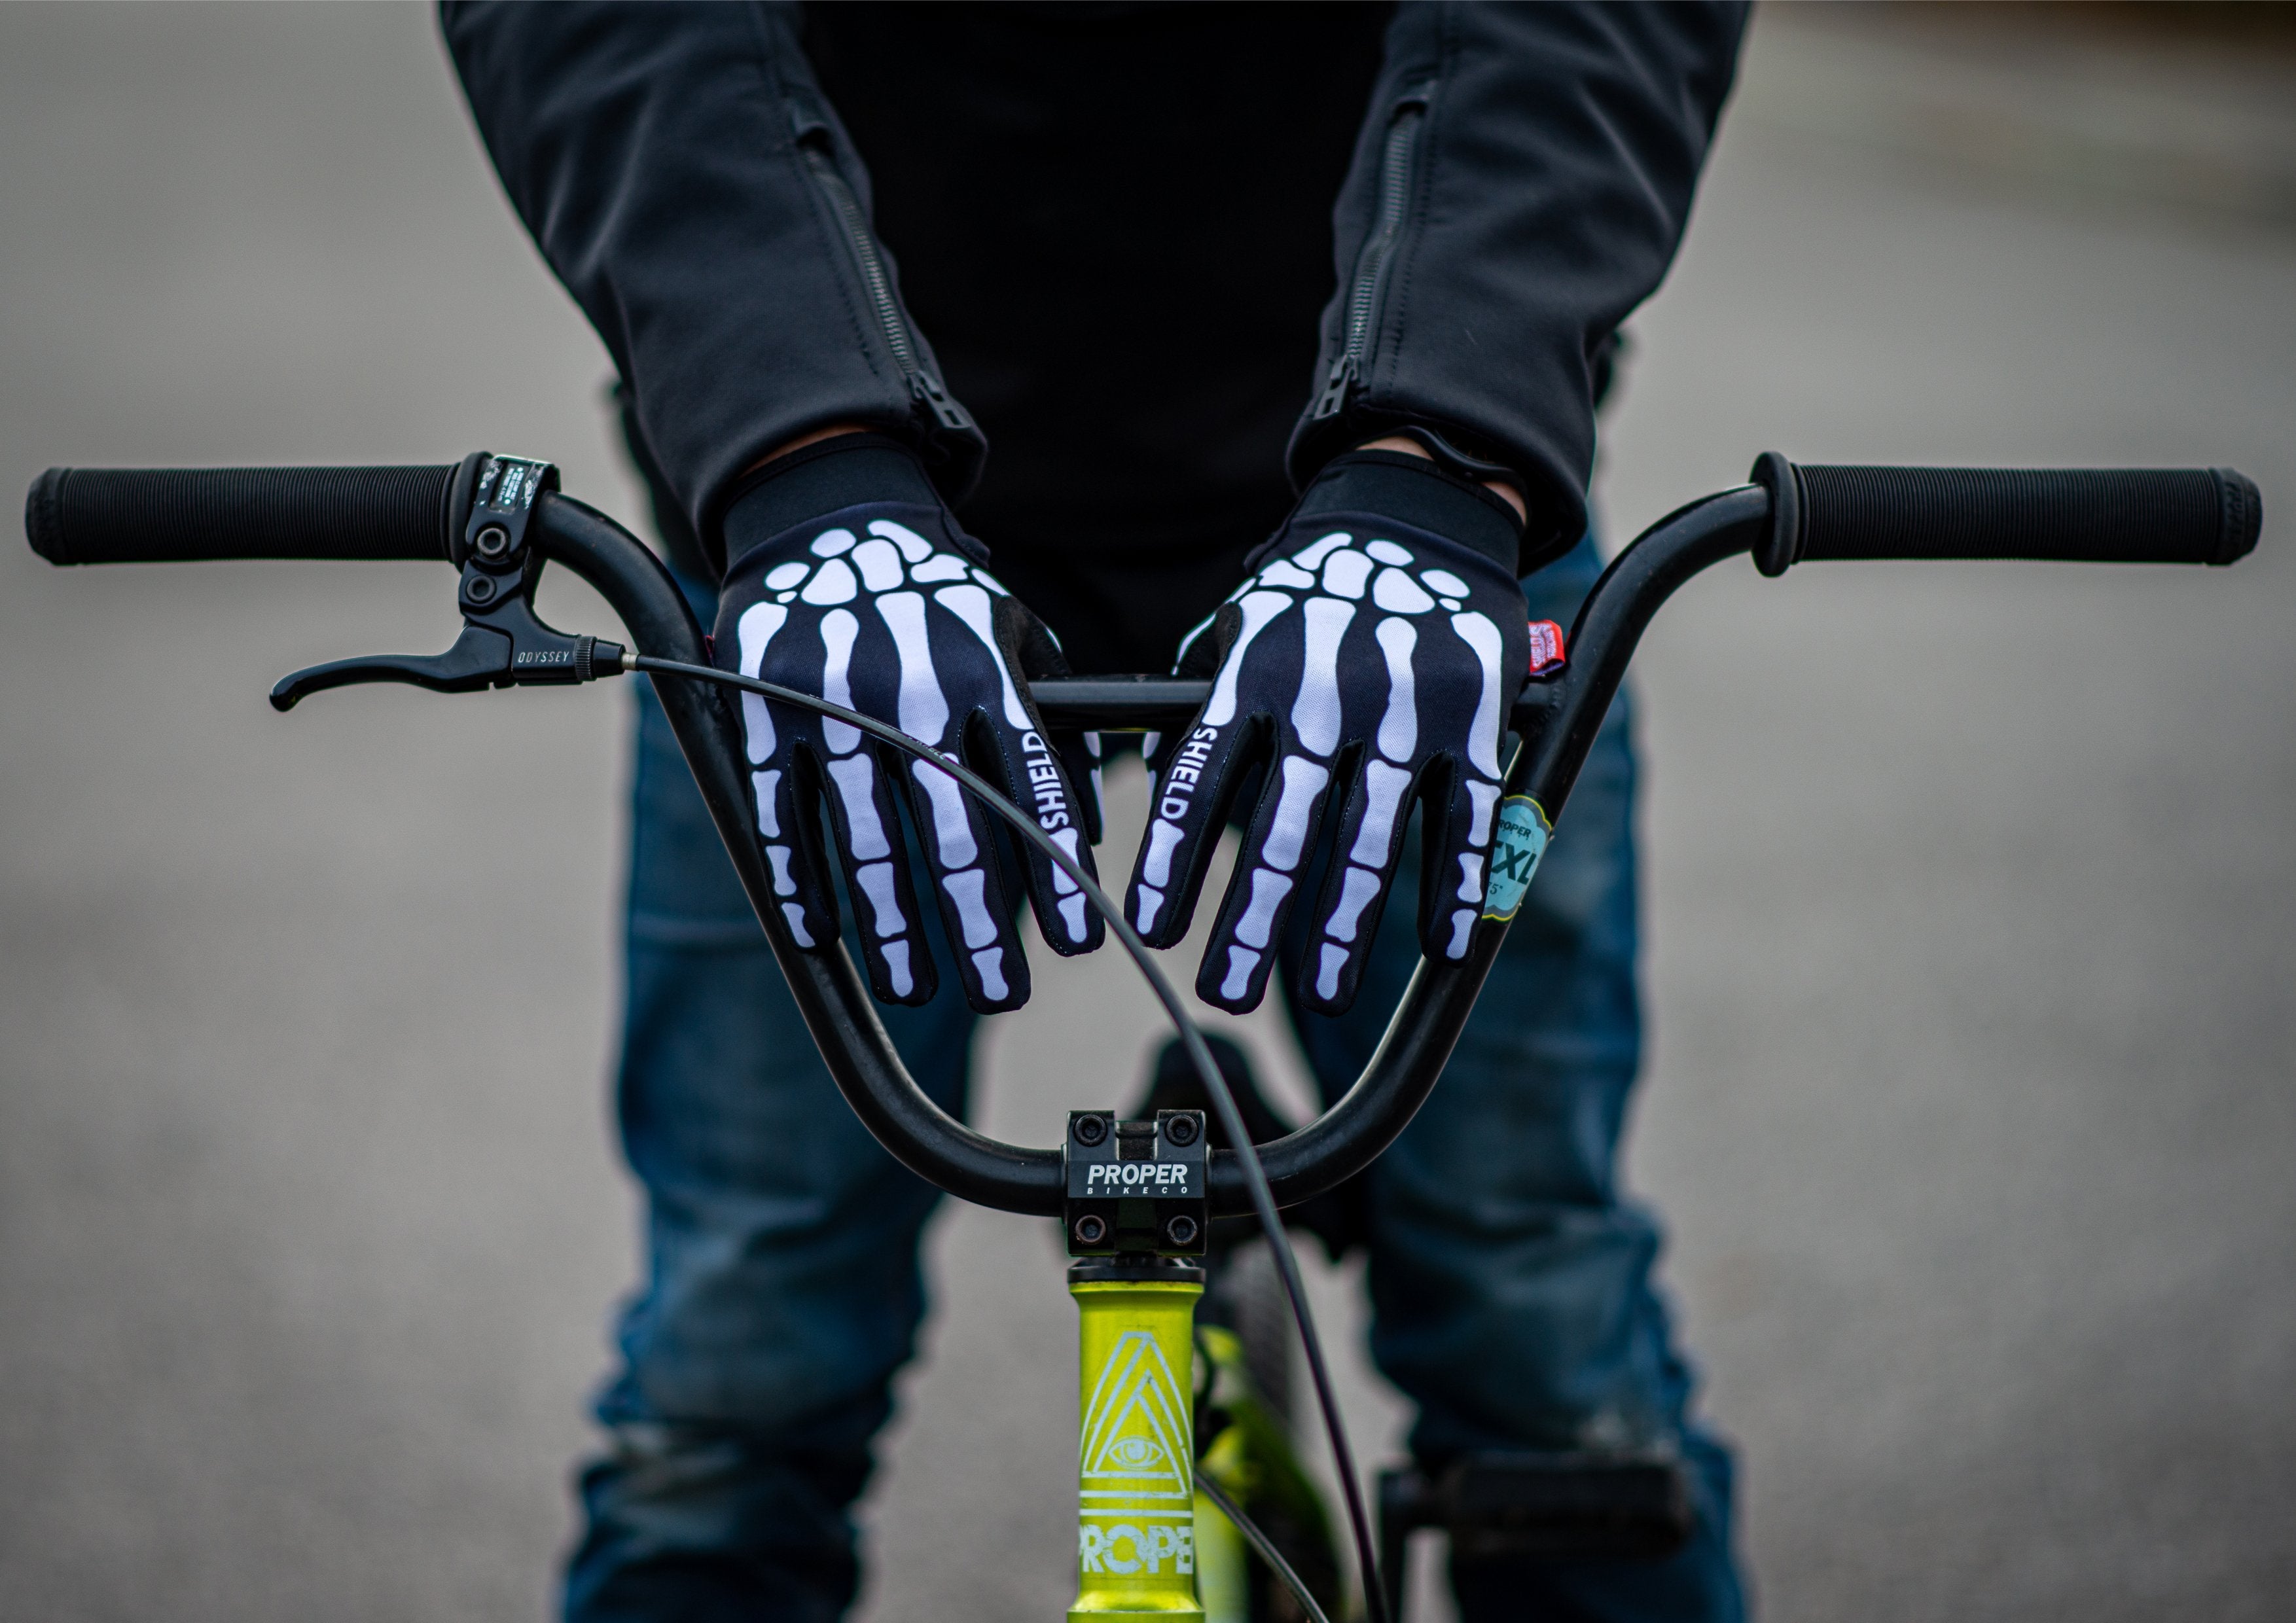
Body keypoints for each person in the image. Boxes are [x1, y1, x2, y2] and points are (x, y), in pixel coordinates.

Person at [443, 5, 1750, 1619]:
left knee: (1536, 1332)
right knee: (736, 1372)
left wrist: (1446, 446)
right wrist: (797, 452)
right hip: (826, 552)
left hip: (1412, 532)